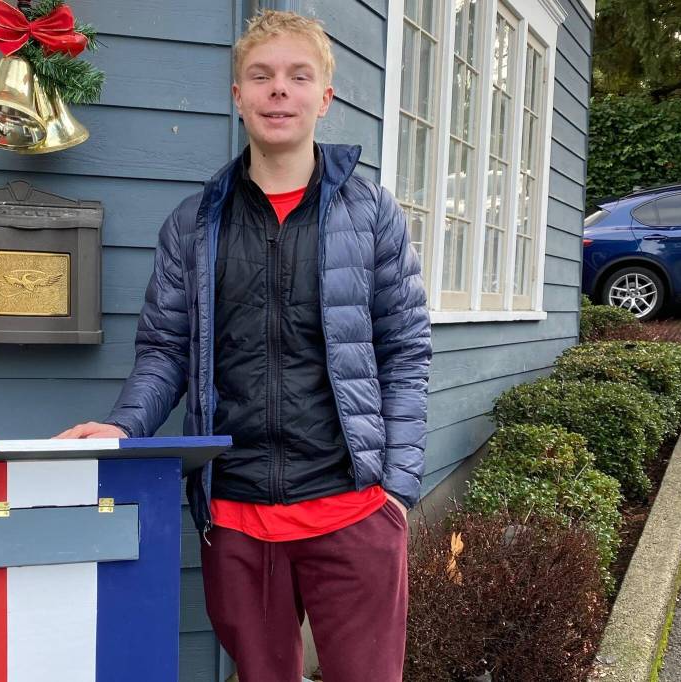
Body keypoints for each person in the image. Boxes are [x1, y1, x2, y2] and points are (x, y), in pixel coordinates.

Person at [55, 10, 431, 681]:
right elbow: (165, 351)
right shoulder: (194, 226)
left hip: (353, 510)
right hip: (237, 515)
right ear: (238, 96)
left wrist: (396, 487)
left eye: (297, 76)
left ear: (325, 96)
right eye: (261, 76)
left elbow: (404, 349)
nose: (278, 90)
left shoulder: (372, 215)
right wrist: (121, 426)